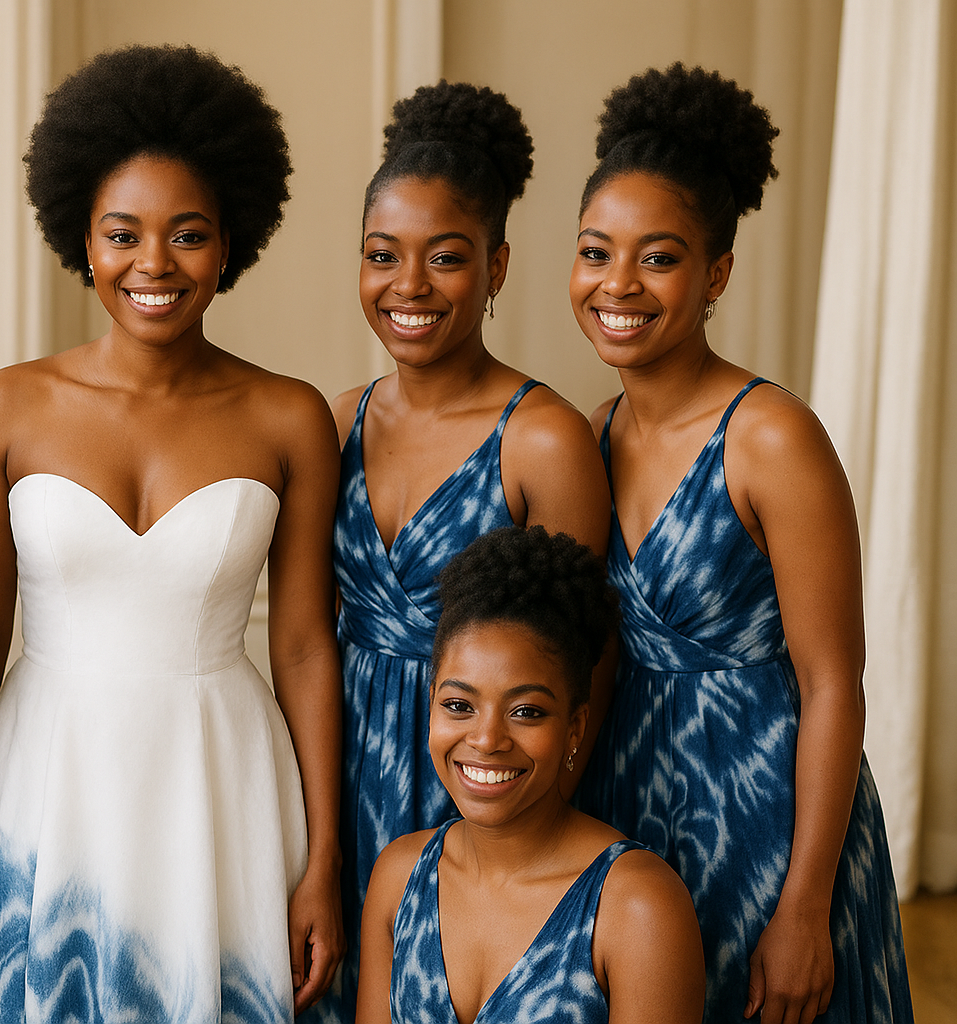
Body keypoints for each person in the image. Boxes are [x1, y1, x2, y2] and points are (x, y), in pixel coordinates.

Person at [0, 43, 344, 1023]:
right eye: (124, 233)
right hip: (51, 762)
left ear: (231, 243)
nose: (154, 264)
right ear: (82, 236)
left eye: (188, 234)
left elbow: (302, 643)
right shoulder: (5, 407)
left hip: (220, 771)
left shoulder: (288, 417)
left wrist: (324, 857)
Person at [569, 63, 913, 1024]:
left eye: (660, 257)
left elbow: (834, 681)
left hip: (769, 825)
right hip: (627, 811)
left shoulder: (771, 437)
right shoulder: (592, 432)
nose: (618, 285)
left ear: (715, 274)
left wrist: (805, 904)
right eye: (596, 252)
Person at [319, 79, 610, 1023]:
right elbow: (310, 637)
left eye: (444, 258)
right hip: (349, 771)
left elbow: (583, 666)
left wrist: (520, 837)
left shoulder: (543, 440)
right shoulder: (338, 421)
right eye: (381, 256)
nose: (407, 286)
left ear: (496, 267)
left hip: (486, 777)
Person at [357, 526, 704, 1024]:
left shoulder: (637, 908)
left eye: (526, 712)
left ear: (574, 728)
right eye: (459, 705)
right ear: (429, 703)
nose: (487, 739)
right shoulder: (399, 877)